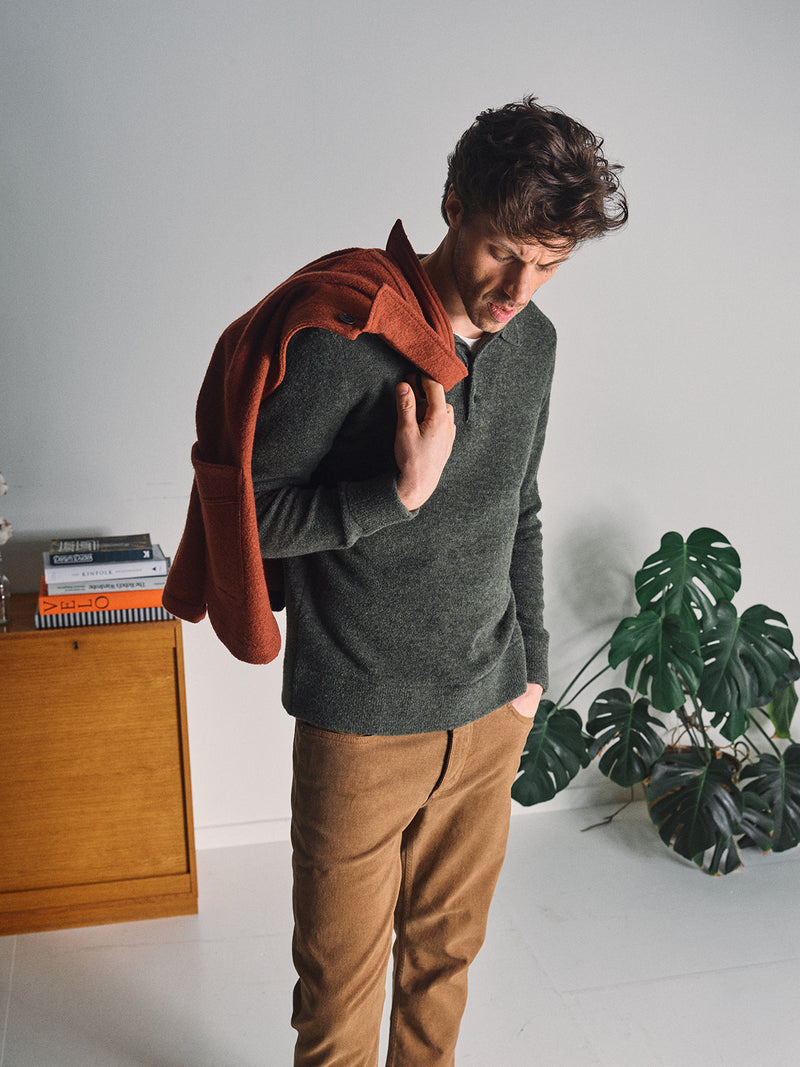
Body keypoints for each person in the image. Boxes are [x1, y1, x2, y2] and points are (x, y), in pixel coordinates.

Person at [164, 94, 627, 1066]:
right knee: (336, 996)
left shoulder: (534, 347)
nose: (519, 286)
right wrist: (395, 492)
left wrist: (531, 663)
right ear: (452, 203)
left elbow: (520, 506)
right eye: (506, 249)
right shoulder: (346, 342)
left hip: (489, 704)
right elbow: (244, 513)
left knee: (443, 966)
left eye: (549, 264)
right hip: (360, 717)